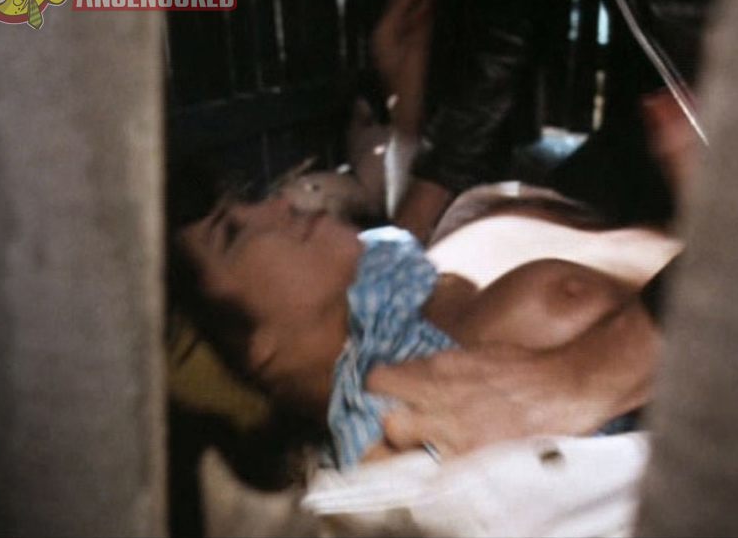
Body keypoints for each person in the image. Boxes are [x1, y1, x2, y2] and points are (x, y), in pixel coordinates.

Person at [173, 183, 681, 469]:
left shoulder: (422, 257)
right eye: (231, 234)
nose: (281, 203)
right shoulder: (396, 441)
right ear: (249, 350)